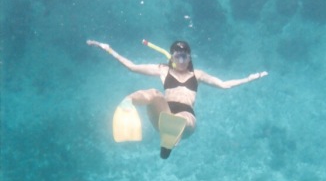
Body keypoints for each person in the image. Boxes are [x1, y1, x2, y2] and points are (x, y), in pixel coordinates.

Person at [87, 39, 268, 158]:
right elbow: (132, 67)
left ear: (189, 58)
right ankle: (128, 103)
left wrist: (249, 78)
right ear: (172, 57)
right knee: (153, 93)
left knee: (182, 119)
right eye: (177, 56)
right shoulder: (163, 70)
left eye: (185, 56)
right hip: (164, 113)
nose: (181, 60)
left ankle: (170, 140)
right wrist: (109, 49)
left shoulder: (198, 74)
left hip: (186, 118)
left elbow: (224, 84)